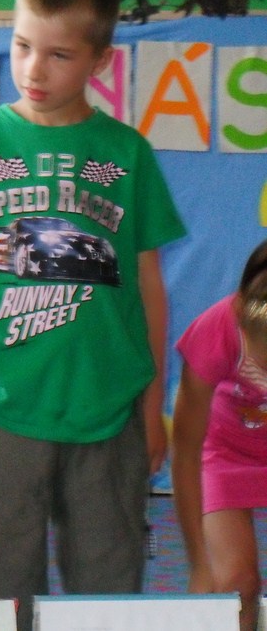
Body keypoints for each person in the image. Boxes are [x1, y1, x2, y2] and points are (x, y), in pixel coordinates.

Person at [0, 0, 186, 631]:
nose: (33, 70)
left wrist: (152, 403)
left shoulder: (125, 152)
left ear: (100, 60)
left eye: (59, 54)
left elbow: (149, 287)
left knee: (107, 582)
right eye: (21, 46)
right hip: (1, 405)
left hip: (108, 406)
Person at [172, 239, 267, 631]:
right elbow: (186, 452)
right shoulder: (215, 330)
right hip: (226, 455)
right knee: (234, 587)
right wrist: (199, 563)